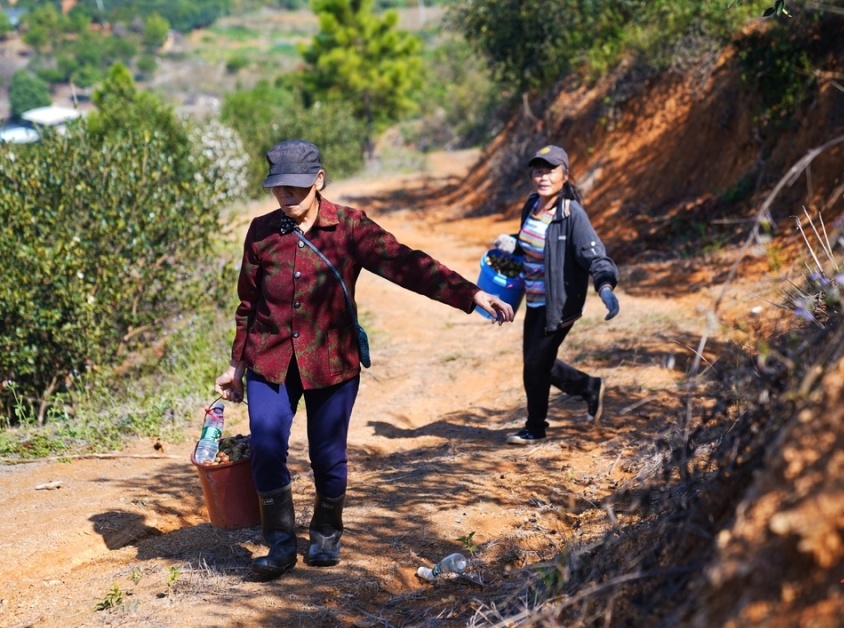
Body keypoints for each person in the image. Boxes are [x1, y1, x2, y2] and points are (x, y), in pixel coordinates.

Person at [215, 139, 515, 579]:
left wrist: (471, 295)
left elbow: (407, 264)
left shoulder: (350, 227)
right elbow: (249, 303)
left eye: (297, 188)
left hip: (331, 361)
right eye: (279, 189)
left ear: (318, 181)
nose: (287, 198)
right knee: (265, 446)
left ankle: (325, 532)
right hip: (271, 360)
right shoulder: (261, 232)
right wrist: (237, 366)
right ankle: (279, 546)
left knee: (328, 456)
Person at [493, 144, 619, 445]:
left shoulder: (571, 214)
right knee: (538, 363)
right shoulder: (532, 204)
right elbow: (536, 243)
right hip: (534, 299)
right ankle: (589, 387)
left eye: (550, 170)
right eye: (538, 170)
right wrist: (514, 243)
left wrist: (605, 286)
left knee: (535, 365)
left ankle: (535, 428)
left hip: (560, 304)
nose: (543, 176)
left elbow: (594, 255)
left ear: (565, 175)